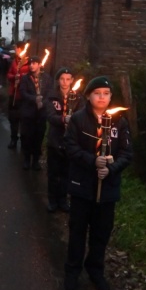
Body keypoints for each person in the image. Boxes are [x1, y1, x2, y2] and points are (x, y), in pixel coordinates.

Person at [63, 76, 132, 290]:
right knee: (77, 230)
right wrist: (93, 161)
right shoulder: (78, 119)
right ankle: (72, 270)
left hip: (107, 189)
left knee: (101, 232)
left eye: (106, 94)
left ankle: (95, 269)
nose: (102, 97)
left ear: (111, 97)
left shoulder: (119, 121)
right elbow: (70, 147)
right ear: (88, 96)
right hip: (82, 186)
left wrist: (111, 168)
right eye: (97, 93)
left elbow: (126, 153)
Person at [45, 67, 85, 213]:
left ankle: (62, 200)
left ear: (72, 80)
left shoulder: (78, 98)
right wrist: (63, 119)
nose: (65, 82)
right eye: (62, 79)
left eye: (68, 79)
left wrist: (73, 120)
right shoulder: (52, 96)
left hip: (70, 142)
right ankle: (52, 200)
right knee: (53, 173)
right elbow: (50, 116)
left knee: (66, 173)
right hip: (55, 140)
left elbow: (82, 115)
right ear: (58, 80)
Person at [18, 56, 53, 171]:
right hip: (28, 113)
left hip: (41, 114)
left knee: (39, 137)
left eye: (34, 63)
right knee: (27, 136)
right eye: (30, 63)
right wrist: (34, 99)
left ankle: (36, 160)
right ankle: (27, 159)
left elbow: (50, 93)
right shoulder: (25, 78)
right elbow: (23, 92)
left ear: (39, 64)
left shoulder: (46, 78)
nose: (31, 65)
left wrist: (43, 102)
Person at [6, 42, 29, 149]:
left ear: (20, 49)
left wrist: (20, 77)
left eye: (16, 48)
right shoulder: (14, 61)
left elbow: (30, 77)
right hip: (13, 94)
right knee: (13, 118)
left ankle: (24, 141)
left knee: (24, 120)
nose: (15, 50)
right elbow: (9, 74)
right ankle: (13, 139)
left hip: (23, 96)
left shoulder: (29, 62)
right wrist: (13, 76)